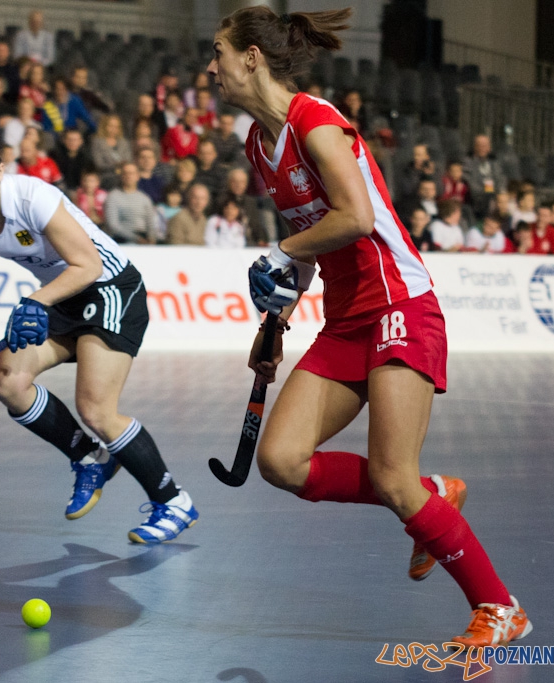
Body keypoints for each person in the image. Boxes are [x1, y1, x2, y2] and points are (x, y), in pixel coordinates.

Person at [209, 5, 530, 647]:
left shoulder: (315, 122)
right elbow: (309, 241)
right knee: (281, 461)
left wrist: (278, 251)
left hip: (398, 306)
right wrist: (276, 321)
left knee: (391, 475)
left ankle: (500, 608)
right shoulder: (258, 146)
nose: (210, 67)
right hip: (345, 318)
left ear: (251, 57)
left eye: (217, 52)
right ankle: (433, 494)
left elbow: (354, 217)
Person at [0, 133, 198, 543]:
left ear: (0, 170)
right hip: (61, 297)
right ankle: (89, 458)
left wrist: (34, 301)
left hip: (109, 289)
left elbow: (89, 266)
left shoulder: (31, 197)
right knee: (9, 383)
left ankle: (174, 502)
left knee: (96, 410)